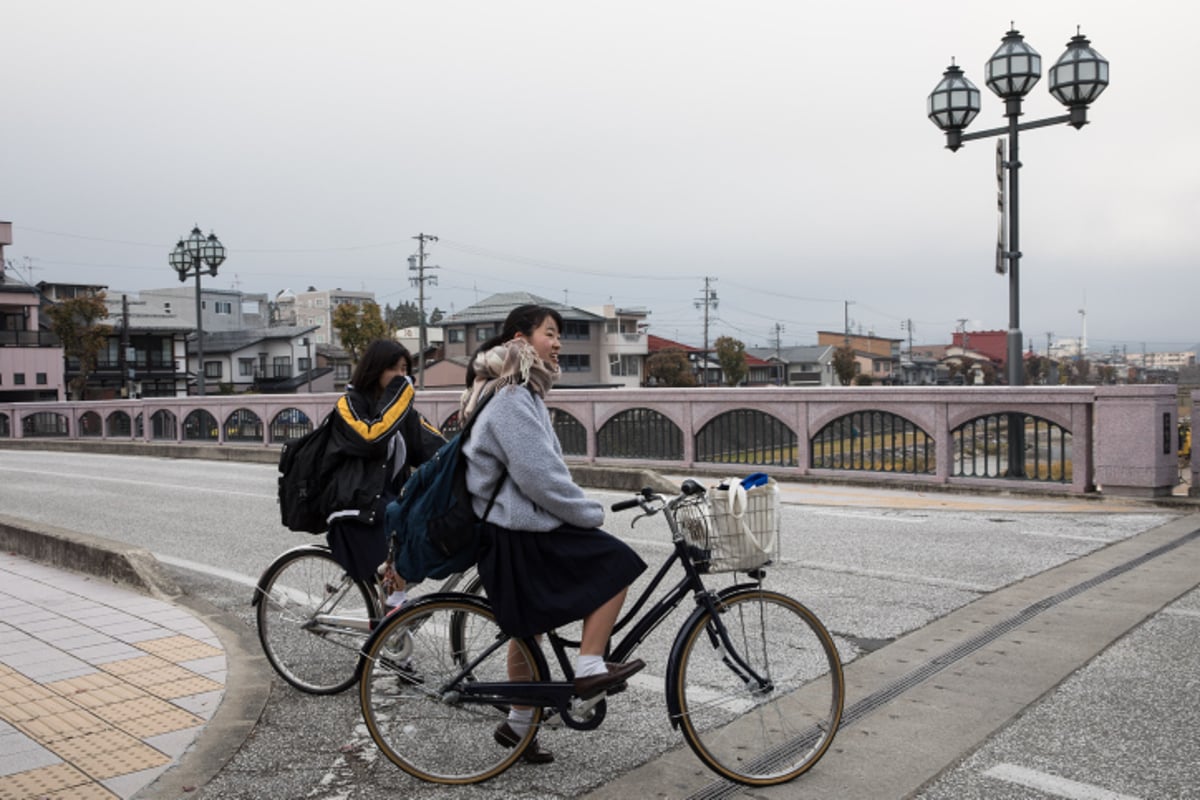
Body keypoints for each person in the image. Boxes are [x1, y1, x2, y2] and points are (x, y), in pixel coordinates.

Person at [459, 304, 648, 764]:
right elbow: (538, 476)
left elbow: (539, 474)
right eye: (550, 333)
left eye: (560, 334)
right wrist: (588, 512)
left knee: (530, 633)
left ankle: (519, 726)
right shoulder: (510, 396)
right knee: (616, 564)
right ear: (521, 340)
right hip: (519, 532)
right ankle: (589, 667)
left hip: (513, 531)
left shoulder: (514, 389)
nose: (558, 342)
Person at [324, 339, 444, 605]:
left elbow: (436, 449)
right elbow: (371, 436)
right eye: (395, 369)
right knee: (396, 575)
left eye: (405, 370)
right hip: (356, 511)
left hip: (390, 507)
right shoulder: (349, 404)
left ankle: (392, 611)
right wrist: (401, 395)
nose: (401, 377)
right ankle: (383, 631)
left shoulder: (401, 412)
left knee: (442, 533)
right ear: (375, 369)